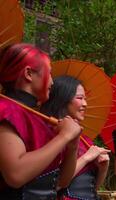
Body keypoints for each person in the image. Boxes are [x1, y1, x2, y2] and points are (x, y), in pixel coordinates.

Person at [0, 43, 81, 199]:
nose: (52, 82)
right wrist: (63, 137)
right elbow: (15, 175)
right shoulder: (6, 110)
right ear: (29, 74)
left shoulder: (36, 117)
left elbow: (62, 182)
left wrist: (72, 146)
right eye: (49, 73)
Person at [41, 76, 110, 200]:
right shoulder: (51, 134)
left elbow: (92, 188)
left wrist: (103, 168)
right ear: (63, 99)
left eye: (85, 99)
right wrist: (87, 157)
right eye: (79, 98)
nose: (85, 104)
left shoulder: (85, 140)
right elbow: (56, 184)